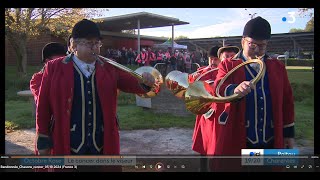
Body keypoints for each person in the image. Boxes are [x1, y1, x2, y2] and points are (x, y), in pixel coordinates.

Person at [35, 19, 155, 171]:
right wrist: (44, 139)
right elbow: (43, 107)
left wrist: (145, 82)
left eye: (97, 43)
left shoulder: (109, 67)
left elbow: (131, 84)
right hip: (68, 143)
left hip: (102, 145)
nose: (95, 48)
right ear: (74, 45)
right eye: (88, 43)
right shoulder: (54, 67)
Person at [211, 16, 295, 171]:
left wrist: (288, 134)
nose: (257, 49)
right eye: (252, 44)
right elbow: (218, 87)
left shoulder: (278, 67)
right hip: (242, 138)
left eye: (262, 45)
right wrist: (234, 89)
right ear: (243, 41)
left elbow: (287, 101)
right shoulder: (228, 64)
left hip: (271, 138)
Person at [189, 45, 239, 171]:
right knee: (204, 144)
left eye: (231, 57)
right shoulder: (203, 71)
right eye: (225, 57)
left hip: (223, 115)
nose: (212, 62)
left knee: (219, 146)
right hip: (206, 114)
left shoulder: (235, 72)